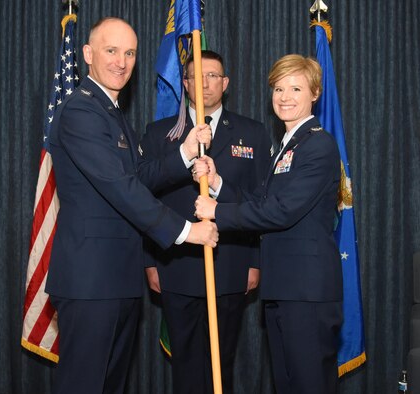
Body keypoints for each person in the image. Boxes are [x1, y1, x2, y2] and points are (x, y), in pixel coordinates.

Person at [45, 17, 218, 394]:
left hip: (117, 279)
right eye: (111, 51)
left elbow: (138, 174)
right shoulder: (80, 111)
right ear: (88, 54)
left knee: (110, 385)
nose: (121, 62)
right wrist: (187, 231)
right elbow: (120, 187)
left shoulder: (112, 112)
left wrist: (185, 153)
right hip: (90, 281)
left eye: (129, 53)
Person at [194, 54, 343, 394]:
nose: (285, 97)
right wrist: (218, 184)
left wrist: (217, 211)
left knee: (309, 385)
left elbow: (281, 211)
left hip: (307, 293)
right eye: (278, 88)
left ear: (315, 93)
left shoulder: (318, 144)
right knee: (288, 384)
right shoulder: (288, 146)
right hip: (284, 289)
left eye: (295, 88)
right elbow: (260, 200)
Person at [140, 50, 272, 394]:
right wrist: (150, 262)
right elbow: (143, 199)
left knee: (221, 363)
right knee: (184, 364)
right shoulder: (159, 135)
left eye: (213, 75)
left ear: (225, 83)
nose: (205, 83)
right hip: (176, 264)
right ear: (184, 84)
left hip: (230, 264)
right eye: (196, 76)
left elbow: (261, 203)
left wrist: (255, 262)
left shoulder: (253, 133)